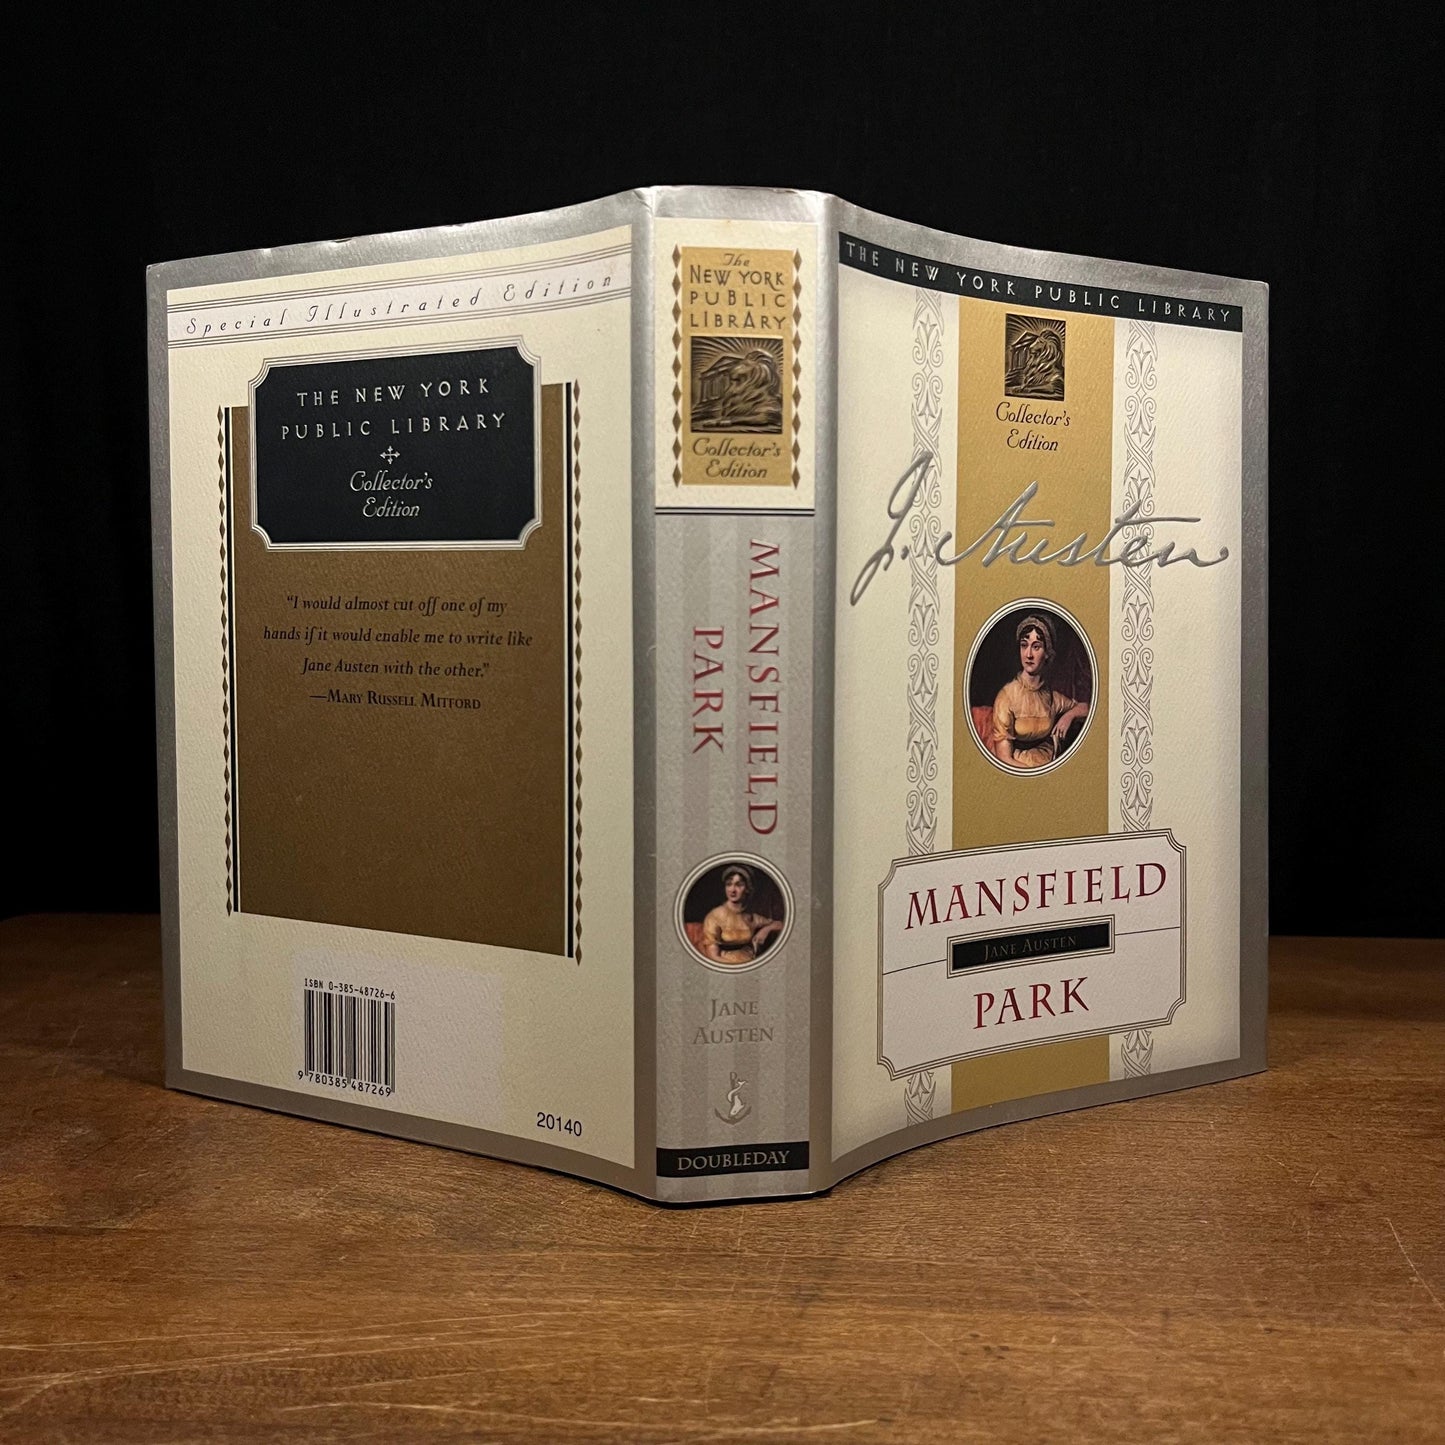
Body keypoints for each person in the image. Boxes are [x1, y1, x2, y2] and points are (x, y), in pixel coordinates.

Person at [990, 613, 1089, 769]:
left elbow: (1086, 708)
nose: (1028, 654)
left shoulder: (1051, 696)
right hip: (1020, 768)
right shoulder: (1007, 697)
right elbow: (1004, 758)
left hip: (1049, 762)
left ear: (1047, 653)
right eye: (1024, 645)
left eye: (1036, 647)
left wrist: (1069, 716)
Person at [700, 864, 784, 965]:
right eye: (729, 884)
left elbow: (780, 924)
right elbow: (713, 956)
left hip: (751, 960)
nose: (732, 890)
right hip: (726, 964)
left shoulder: (750, 916)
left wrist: (766, 930)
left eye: (739, 885)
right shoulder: (715, 916)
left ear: (748, 888)